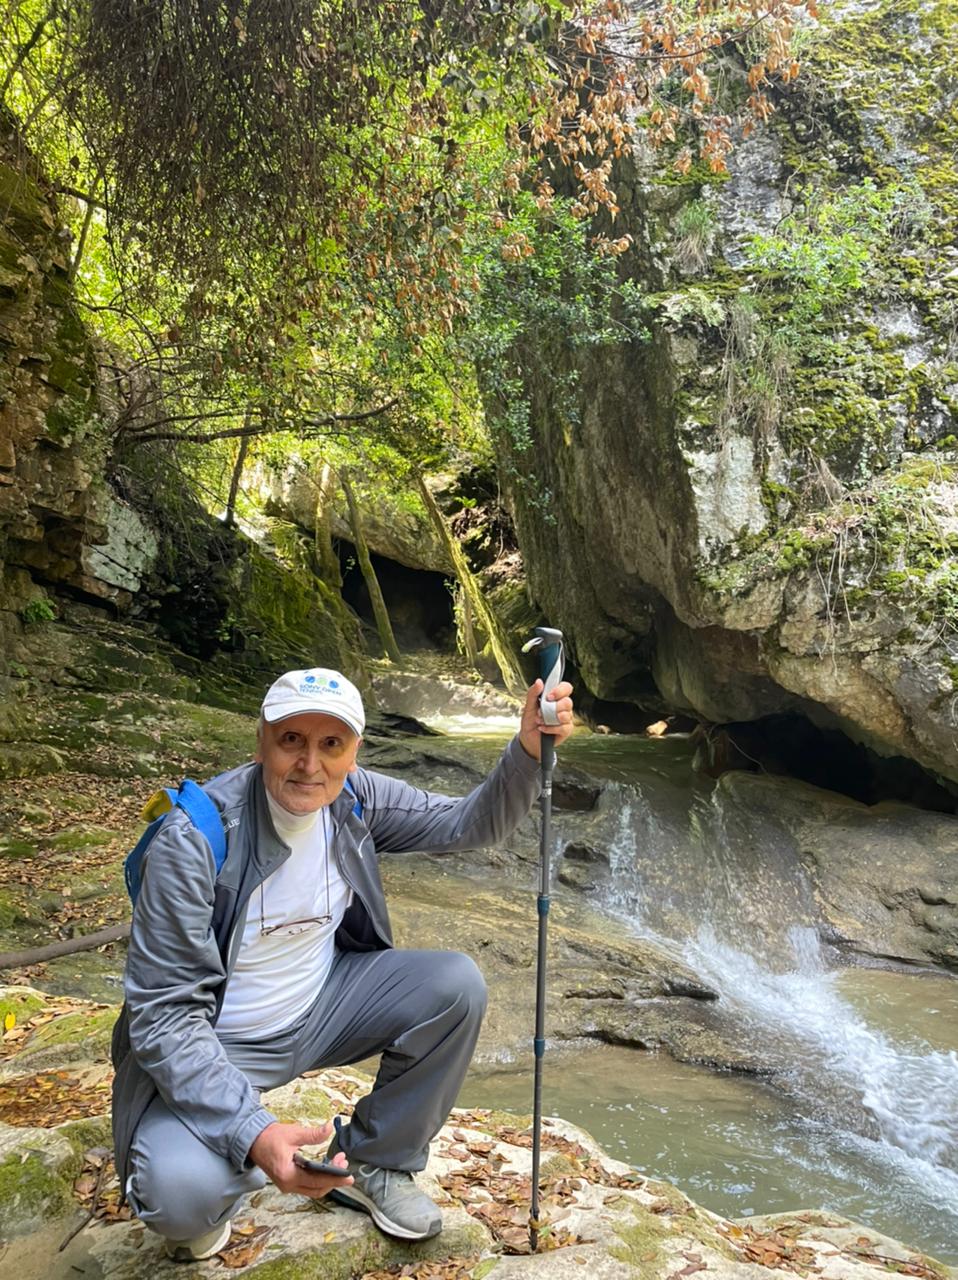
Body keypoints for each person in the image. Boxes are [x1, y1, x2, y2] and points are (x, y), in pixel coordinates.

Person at [110, 666, 574, 1262]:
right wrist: (255, 1132)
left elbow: (469, 823)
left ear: (354, 752)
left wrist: (527, 751)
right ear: (261, 742)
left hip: (321, 1010)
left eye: (331, 744)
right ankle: (223, 1172)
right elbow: (164, 1017)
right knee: (179, 1200)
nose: (311, 765)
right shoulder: (193, 839)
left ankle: (373, 1162)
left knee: (455, 986)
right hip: (216, 1041)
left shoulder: (355, 797)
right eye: (292, 740)